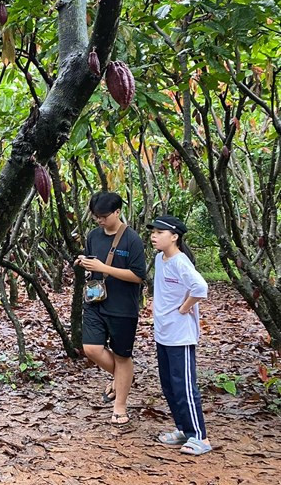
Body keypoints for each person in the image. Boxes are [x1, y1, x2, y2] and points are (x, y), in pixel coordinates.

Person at [76, 192, 147, 426]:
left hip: (122, 306)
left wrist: (104, 267)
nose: (100, 220)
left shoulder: (132, 240)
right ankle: (121, 378)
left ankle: (120, 406)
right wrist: (84, 262)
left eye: (104, 216)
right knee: (91, 348)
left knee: (122, 355)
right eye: (96, 216)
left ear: (117, 212)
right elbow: (93, 263)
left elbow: (138, 276)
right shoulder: (93, 236)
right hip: (96, 301)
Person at [148, 215, 211, 455]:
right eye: (153, 232)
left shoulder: (181, 261)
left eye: (159, 232)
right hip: (163, 331)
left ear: (174, 236)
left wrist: (184, 308)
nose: (154, 236)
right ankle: (184, 429)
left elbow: (200, 287)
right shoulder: (160, 258)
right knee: (169, 385)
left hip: (180, 334)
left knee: (184, 386)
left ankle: (200, 437)